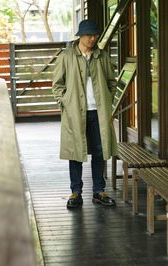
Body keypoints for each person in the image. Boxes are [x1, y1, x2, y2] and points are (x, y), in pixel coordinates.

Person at [52, 19, 118, 209]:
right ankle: (76, 192)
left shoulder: (102, 56)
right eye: (89, 35)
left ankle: (99, 191)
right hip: (74, 112)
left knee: (100, 151)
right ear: (80, 36)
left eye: (95, 35)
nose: (92, 38)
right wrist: (65, 103)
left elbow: (111, 82)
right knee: (75, 152)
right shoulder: (66, 56)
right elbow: (57, 85)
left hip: (98, 112)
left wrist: (107, 100)